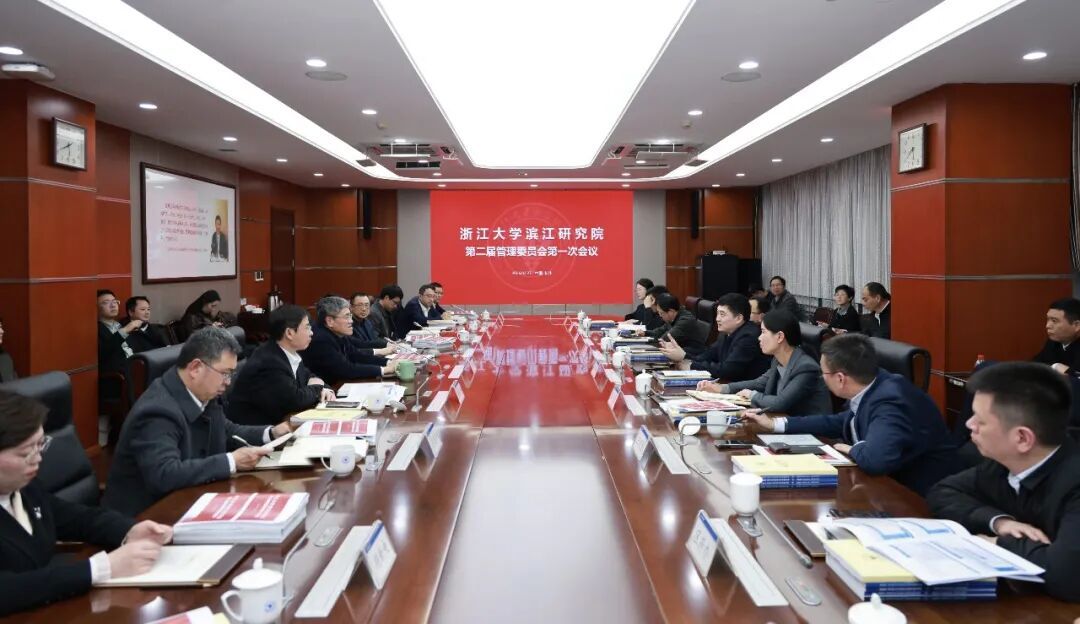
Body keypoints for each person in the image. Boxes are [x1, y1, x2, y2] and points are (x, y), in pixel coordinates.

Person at [0, 390, 173, 616]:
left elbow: (75, 517)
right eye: (25, 453)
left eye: (40, 445)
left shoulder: (24, 487)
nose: (38, 458)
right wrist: (99, 569)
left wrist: (128, 530)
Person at [927, 362, 1080, 602]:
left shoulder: (1074, 481)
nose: (969, 424)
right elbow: (943, 492)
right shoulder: (1003, 462)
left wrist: (997, 542)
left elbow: (1067, 575)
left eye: (980, 421)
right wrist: (999, 522)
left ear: (1022, 438)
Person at [742, 333, 965, 495]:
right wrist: (776, 425)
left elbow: (876, 460)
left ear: (840, 378)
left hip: (917, 497)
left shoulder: (891, 401)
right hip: (881, 485)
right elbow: (840, 422)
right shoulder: (874, 384)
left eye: (824, 374)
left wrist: (853, 448)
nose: (822, 379)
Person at [103, 327, 293, 516]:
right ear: (195, 368)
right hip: (147, 518)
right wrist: (231, 461)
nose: (228, 382)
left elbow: (226, 430)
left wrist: (271, 433)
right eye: (225, 373)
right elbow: (164, 474)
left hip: (192, 500)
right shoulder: (157, 410)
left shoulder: (202, 393)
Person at [701, 310, 832, 416]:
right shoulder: (778, 359)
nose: (759, 337)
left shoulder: (806, 367)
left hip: (813, 435)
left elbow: (780, 403)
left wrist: (752, 395)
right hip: (784, 422)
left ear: (780, 337)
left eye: (763, 332)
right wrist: (723, 388)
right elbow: (759, 383)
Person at [227, 305, 335, 427]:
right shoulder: (269, 362)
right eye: (307, 327)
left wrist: (323, 388)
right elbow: (295, 400)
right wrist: (319, 389)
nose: (311, 333)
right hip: (258, 431)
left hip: (281, 422)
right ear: (289, 333)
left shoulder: (286, 352)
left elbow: (308, 376)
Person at [660, 293, 770, 382]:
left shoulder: (748, 337)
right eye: (717, 314)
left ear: (738, 318)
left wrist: (690, 364)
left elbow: (728, 370)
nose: (717, 319)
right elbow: (707, 355)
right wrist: (682, 355)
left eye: (722, 314)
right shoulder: (726, 332)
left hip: (745, 392)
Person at [300, 297, 399, 386]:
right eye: (346, 316)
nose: (351, 321)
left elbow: (356, 355)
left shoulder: (338, 333)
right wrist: (384, 370)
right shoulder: (320, 340)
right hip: (327, 391)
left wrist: (388, 362)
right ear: (330, 321)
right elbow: (346, 369)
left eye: (350, 316)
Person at [1033, 298, 1080, 375]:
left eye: (1054, 321)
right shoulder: (1054, 340)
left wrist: (1056, 367)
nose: (1047, 326)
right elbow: (1035, 364)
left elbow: (1076, 376)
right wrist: (1056, 366)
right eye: (1048, 319)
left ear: (1076, 325)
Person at [97, 289, 139, 375]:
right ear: (96, 308)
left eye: (114, 301)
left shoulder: (122, 324)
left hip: (137, 366)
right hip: (119, 374)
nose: (113, 305)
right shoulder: (96, 329)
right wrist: (125, 330)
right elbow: (104, 351)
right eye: (106, 302)